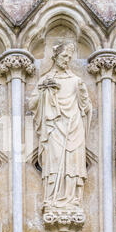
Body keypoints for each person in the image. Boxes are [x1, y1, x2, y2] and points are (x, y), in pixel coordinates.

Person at [29, 43, 92, 209]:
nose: (67, 60)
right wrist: (44, 90)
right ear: (55, 57)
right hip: (55, 126)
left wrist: (83, 93)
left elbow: (86, 107)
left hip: (74, 124)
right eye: (64, 56)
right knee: (56, 159)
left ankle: (72, 198)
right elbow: (32, 104)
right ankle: (53, 197)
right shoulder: (46, 79)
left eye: (69, 58)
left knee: (73, 161)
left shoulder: (76, 81)